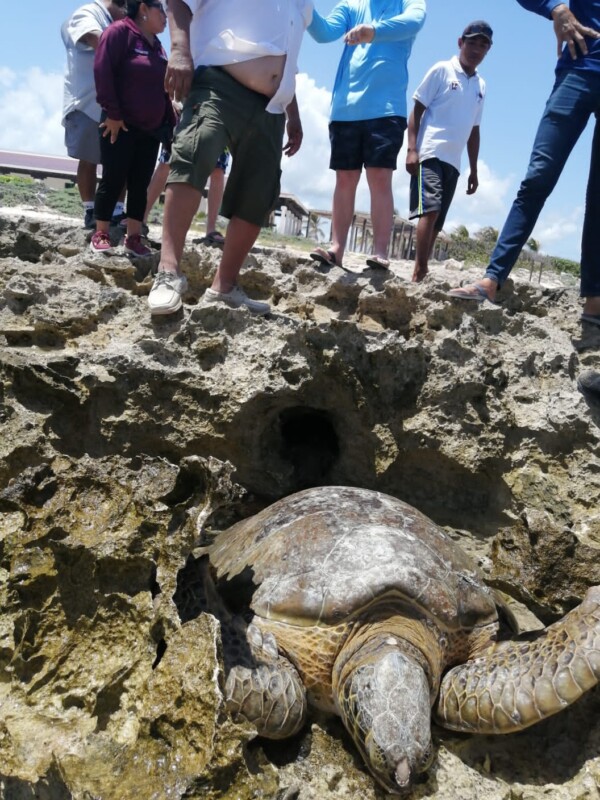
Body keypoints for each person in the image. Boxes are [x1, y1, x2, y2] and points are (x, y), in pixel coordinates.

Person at [147, 0, 311, 316]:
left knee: (260, 191)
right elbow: (180, 3)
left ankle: (224, 287)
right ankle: (168, 274)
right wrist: (180, 51)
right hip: (219, 82)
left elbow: (285, 53)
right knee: (196, 148)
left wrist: (293, 111)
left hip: (272, 106)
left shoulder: (303, 4)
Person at [448, 1, 600, 328]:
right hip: (579, 69)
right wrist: (555, 8)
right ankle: (491, 280)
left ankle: (594, 304)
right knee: (537, 179)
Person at [307, 0, 426, 271]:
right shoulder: (351, 4)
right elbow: (324, 32)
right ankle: (337, 248)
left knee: (380, 177)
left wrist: (373, 31)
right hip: (345, 107)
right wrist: (304, 6)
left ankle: (380, 252)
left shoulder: (409, 2)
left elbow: (416, 20)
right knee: (344, 178)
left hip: (386, 107)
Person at [406, 21, 492, 283]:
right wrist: (411, 148)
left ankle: (419, 273)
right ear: (460, 42)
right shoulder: (442, 70)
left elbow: (474, 131)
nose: (477, 49)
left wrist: (474, 169)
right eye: (473, 42)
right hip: (430, 151)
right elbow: (417, 110)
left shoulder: (481, 86)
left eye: (483, 45)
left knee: (438, 221)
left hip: (453, 162)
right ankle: (421, 269)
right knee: (429, 210)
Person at [89, 0, 176, 257]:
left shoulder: (158, 47)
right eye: (160, 8)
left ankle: (134, 238)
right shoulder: (118, 32)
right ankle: (101, 233)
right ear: (143, 9)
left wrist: (169, 124)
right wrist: (113, 114)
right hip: (119, 123)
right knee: (113, 178)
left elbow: (164, 91)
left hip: (150, 129)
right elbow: (102, 71)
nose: (166, 15)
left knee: (140, 185)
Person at [61, 0, 127, 229]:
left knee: (121, 162)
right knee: (89, 159)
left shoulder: (122, 20)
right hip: (88, 102)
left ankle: (117, 212)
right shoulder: (87, 13)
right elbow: (98, 41)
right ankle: (90, 211)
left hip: (118, 105)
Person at [143, 148, 229, 245]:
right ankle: (141, 219)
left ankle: (211, 230)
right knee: (166, 161)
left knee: (218, 169)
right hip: (179, 132)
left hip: (219, 134)